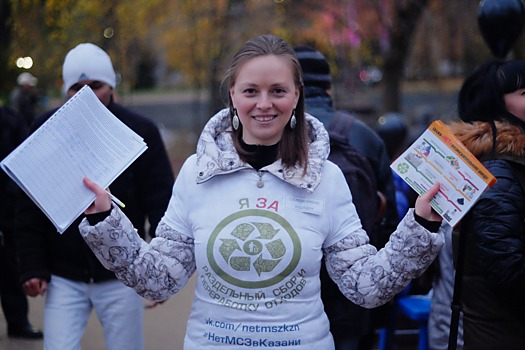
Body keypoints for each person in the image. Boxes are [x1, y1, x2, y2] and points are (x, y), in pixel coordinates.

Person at [78, 34, 445, 349]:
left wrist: (422, 227)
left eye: (278, 91)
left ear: (297, 95)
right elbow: (158, 279)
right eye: (251, 91)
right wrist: (104, 219)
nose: (264, 104)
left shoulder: (327, 178)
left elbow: (365, 285)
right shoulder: (196, 173)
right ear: (233, 95)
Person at [14, 43, 175, 350]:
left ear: (111, 86)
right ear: (65, 89)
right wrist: (32, 266)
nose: (87, 94)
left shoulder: (139, 130)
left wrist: (159, 273)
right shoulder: (44, 129)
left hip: (122, 274)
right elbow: (27, 204)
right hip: (64, 274)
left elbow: (161, 202)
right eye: (77, 87)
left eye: (96, 86)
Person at [293, 45, 399, 350]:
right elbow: (389, 217)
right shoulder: (364, 135)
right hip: (353, 286)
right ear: (328, 88)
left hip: (292, 282)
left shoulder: (272, 133)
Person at [444, 59, 525, 349]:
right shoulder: (499, 171)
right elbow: (507, 269)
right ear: (496, 106)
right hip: (505, 335)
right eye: (524, 94)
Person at [0, 105, 43, 339]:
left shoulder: (10, 120)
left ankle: (17, 322)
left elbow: (24, 163)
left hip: (6, 209)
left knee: (9, 269)